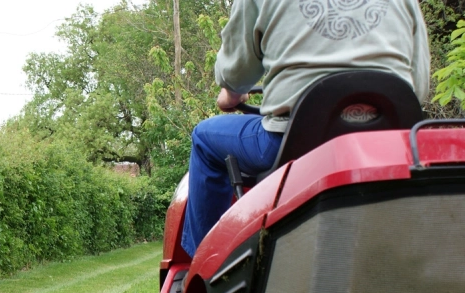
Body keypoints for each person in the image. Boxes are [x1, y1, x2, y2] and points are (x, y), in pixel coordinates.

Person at [181, 0, 430, 257]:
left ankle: (205, 268)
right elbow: (418, 88)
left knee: (204, 137)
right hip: (383, 145)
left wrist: (231, 97)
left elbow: (235, 73)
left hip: (291, 143)